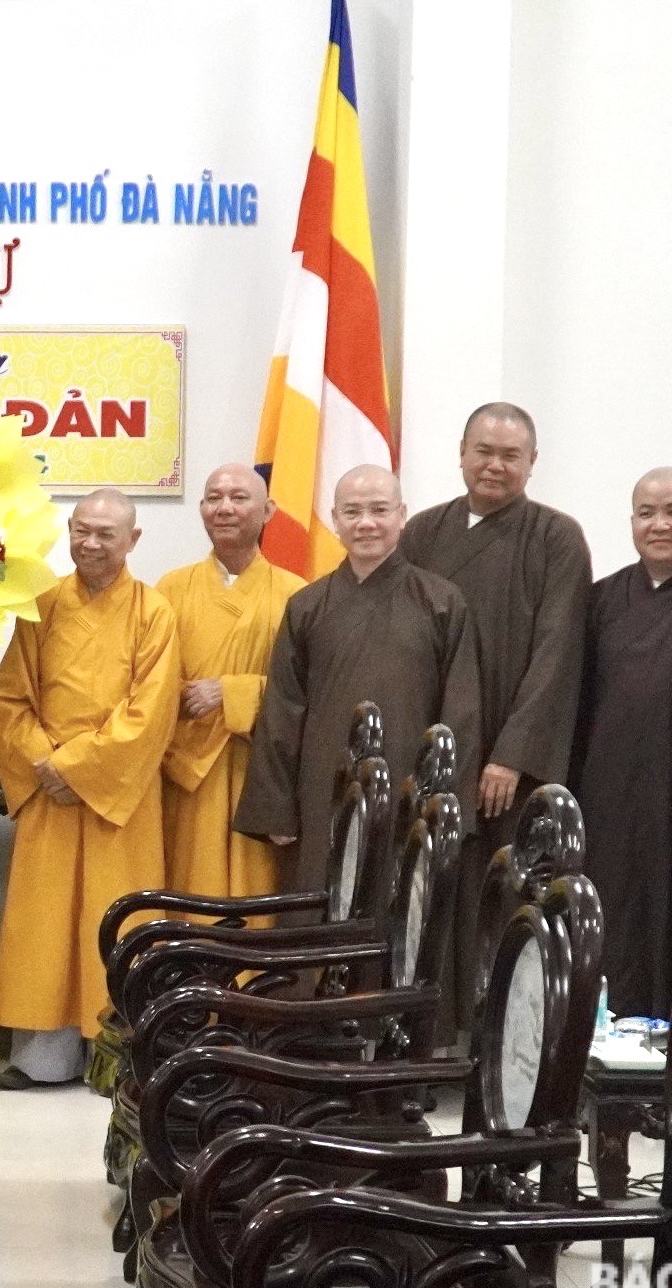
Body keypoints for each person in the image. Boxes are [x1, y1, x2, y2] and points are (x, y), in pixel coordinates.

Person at [237, 465, 480, 1034]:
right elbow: (283, 712)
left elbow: (462, 711)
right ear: (334, 520)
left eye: (379, 510)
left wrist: (443, 805)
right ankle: (309, 1043)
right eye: (353, 512)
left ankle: (404, 1054)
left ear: (401, 515)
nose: (366, 523)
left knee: (407, 916)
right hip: (324, 794)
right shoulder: (308, 605)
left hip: (410, 801)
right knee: (319, 911)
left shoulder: (442, 602)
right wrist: (278, 808)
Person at [0, 489, 181, 1089]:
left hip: (114, 798)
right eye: (82, 530)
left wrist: (77, 766)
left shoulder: (154, 613)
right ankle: (42, 1059)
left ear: (133, 540)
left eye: (106, 533)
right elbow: (9, 698)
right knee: (43, 927)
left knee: (116, 921)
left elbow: (150, 712)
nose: (92, 543)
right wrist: (46, 762)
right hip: (49, 789)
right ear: (69, 531)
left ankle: (118, 1061)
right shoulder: (41, 605)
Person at [398, 402, 589, 846]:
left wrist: (512, 755)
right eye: (484, 451)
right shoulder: (423, 531)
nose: (495, 466)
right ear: (462, 452)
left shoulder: (556, 537)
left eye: (511, 456)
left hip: (503, 757)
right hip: (430, 738)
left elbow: (557, 653)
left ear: (532, 462)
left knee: (495, 878)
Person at [570, 469, 672, 1017]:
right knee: (605, 912)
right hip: (604, 792)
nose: (660, 525)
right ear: (631, 521)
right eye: (646, 513)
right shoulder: (600, 599)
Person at [156, 463, 303, 906]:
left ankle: (249, 976)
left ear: (268, 511)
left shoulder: (296, 594)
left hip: (258, 767)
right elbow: (145, 678)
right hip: (184, 769)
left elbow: (307, 691)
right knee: (184, 886)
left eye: (239, 498)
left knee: (253, 888)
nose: (225, 508)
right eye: (214, 497)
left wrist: (232, 692)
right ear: (201, 509)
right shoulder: (169, 589)